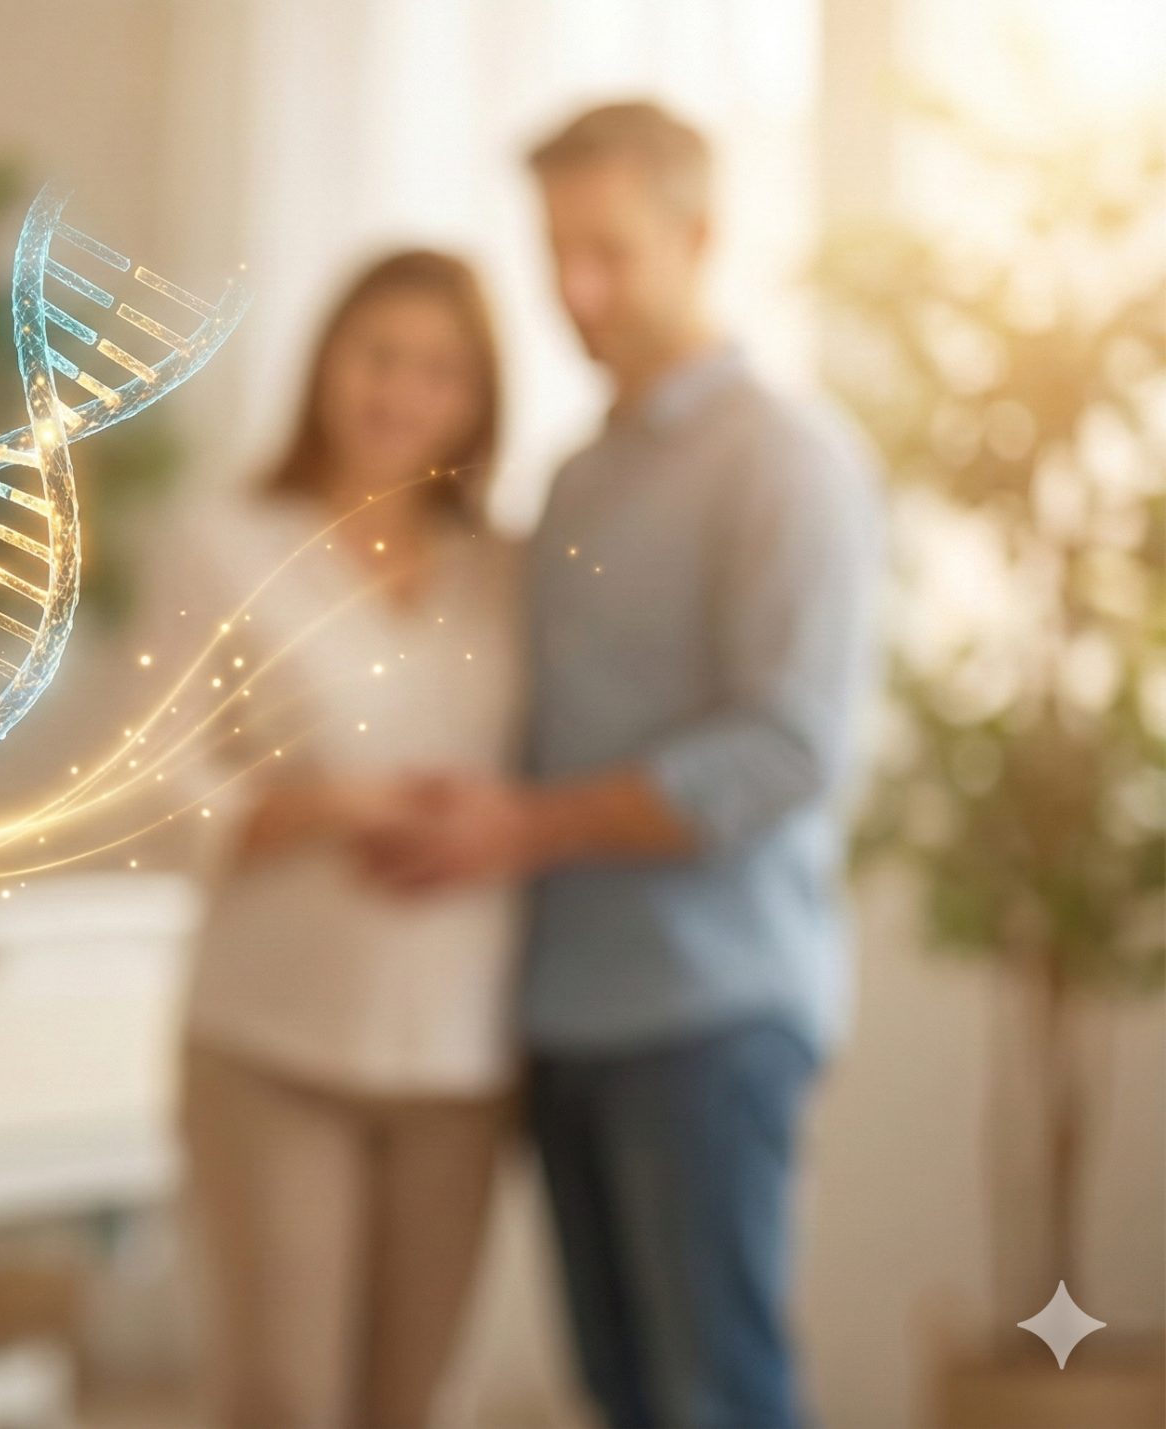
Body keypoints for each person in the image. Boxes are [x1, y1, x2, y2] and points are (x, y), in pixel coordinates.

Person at [357, 101, 887, 1429]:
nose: (577, 293)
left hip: (710, 1015)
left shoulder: (786, 459)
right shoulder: (582, 476)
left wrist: (523, 829)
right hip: (566, 1012)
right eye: (556, 253)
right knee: (626, 1393)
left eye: (612, 253)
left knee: (719, 1390)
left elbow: (786, 747)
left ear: (700, 237)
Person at [156, 250, 524, 1429]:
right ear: (326, 364)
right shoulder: (226, 541)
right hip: (273, 1039)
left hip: (460, 1049)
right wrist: (321, 807)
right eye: (379, 355)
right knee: (284, 1398)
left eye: (440, 369)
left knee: (416, 1403)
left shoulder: (506, 573)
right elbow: (152, 785)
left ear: (478, 401)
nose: (402, 391)